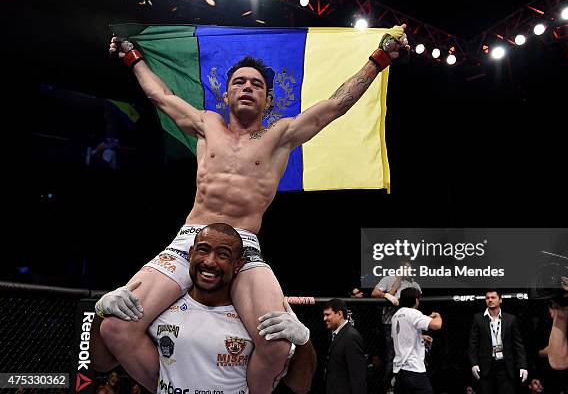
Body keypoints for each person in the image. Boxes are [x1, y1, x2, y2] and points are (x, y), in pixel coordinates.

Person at [93, 26, 410, 393]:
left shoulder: (281, 135)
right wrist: (132, 56)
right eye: (240, 82)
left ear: (269, 100)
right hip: (189, 240)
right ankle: (170, 388)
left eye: (256, 85)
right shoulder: (205, 124)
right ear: (225, 94)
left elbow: (336, 105)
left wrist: (379, 59)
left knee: (276, 343)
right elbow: (159, 95)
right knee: (116, 324)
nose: (247, 88)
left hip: (243, 246)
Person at [93, 223, 316, 393]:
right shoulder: (159, 313)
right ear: (190, 254)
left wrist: (304, 340)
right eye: (203, 250)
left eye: (223, 255)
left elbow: (301, 387)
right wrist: (100, 313)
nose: (209, 262)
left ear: (238, 265)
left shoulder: (256, 321)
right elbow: (101, 363)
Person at [371, 261, 422, 389]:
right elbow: (374, 293)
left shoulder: (412, 283)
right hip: (390, 323)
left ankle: (405, 385)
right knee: (391, 356)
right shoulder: (389, 279)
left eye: (409, 269)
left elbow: (417, 299)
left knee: (408, 354)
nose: (407, 271)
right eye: (405, 268)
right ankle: (389, 386)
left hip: (409, 325)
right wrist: (388, 293)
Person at [468, 289, 528, 394]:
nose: (490, 300)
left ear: (500, 300)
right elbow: (473, 344)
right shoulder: (478, 318)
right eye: (487, 298)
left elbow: (518, 345)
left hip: (505, 365)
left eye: (493, 297)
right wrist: (474, 363)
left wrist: (522, 366)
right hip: (486, 365)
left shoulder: (510, 319)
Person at [391, 287, 442, 394]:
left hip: (400, 370)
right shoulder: (413, 313)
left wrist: (420, 337)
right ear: (415, 300)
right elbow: (437, 325)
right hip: (413, 368)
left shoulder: (396, 316)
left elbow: (402, 334)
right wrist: (438, 316)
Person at [323, 298, 368, 394]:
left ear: (339, 314)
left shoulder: (351, 337)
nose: (324, 318)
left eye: (327, 315)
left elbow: (357, 375)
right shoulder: (334, 334)